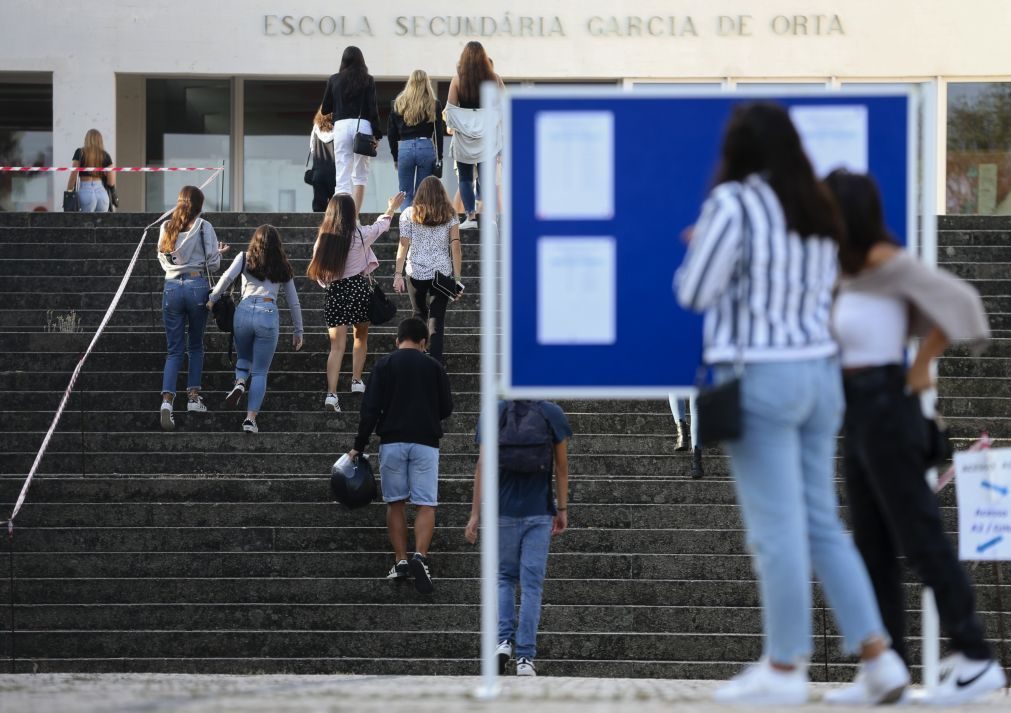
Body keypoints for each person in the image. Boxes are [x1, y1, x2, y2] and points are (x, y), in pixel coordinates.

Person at [674, 103, 909, 706]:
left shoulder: (734, 204)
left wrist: (699, 246)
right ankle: (878, 659)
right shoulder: (819, 208)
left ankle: (784, 667)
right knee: (822, 523)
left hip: (760, 375)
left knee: (775, 532)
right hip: (819, 375)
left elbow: (694, 292)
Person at [824, 170, 1003, 706]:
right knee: (871, 546)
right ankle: (888, 672)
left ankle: (976, 658)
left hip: (887, 405)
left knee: (920, 538)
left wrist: (923, 361)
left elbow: (962, 302)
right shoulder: (845, 271)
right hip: (854, 412)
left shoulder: (890, 264)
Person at [465, 400, 572, 677]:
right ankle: (526, 658)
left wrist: (475, 514)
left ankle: (503, 642)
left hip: (503, 511)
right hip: (538, 511)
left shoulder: (494, 412)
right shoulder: (552, 414)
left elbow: (482, 465)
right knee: (532, 586)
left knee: (504, 578)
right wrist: (562, 509)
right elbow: (561, 468)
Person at [348, 317, 454, 594]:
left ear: (397, 340)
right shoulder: (434, 367)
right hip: (425, 442)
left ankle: (401, 560)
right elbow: (447, 408)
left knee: (395, 503)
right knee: (426, 503)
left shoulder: (384, 365)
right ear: (424, 342)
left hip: (392, 441)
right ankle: (420, 555)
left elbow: (369, 409)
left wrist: (359, 444)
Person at [307, 190, 405, 413]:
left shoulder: (323, 239)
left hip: (336, 293)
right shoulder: (360, 234)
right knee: (360, 336)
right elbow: (381, 226)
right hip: (359, 290)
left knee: (336, 346)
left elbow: (319, 274)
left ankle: (331, 394)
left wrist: (331, 285)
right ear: (352, 213)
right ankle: (356, 379)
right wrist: (391, 207)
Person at [208, 225, 305, 434]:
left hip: (243, 311)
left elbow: (226, 278)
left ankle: (240, 381)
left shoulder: (244, 258)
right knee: (260, 371)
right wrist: (299, 331)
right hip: (267, 313)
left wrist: (212, 299)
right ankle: (250, 420)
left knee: (243, 358)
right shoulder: (283, 265)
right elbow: (293, 302)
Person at [156, 186, 228, 431]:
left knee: (174, 349)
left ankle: (167, 401)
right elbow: (214, 264)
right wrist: (217, 253)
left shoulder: (166, 227)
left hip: (172, 289)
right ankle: (194, 398)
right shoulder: (204, 227)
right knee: (195, 344)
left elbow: (162, 259)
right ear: (199, 205)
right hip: (197, 286)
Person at [393, 176, 462, 365]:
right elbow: (455, 246)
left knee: (419, 314)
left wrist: (398, 274)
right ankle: (436, 364)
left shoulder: (408, 214)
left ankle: (415, 358)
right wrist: (457, 278)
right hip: (441, 275)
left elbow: (403, 245)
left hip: (415, 273)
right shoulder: (450, 214)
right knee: (437, 321)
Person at [445, 41, 503, 229]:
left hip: (464, 137)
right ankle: (490, 218)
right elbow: (503, 107)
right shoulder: (494, 79)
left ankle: (470, 217)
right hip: (488, 137)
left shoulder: (457, 79)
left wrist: (461, 124)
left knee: (465, 178)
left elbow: (451, 109)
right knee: (487, 179)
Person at [320, 46, 381, 214]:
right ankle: (355, 218)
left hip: (341, 126)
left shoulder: (334, 80)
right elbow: (372, 109)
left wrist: (339, 103)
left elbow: (325, 109)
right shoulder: (368, 79)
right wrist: (377, 135)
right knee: (360, 175)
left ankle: (341, 218)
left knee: (342, 175)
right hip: (363, 126)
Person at [388, 70, 445, 209]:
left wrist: (395, 157)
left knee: (404, 193)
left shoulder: (398, 104)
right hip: (426, 146)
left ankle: (406, 227)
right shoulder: (434, 104)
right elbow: (439, 133)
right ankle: (420, 226)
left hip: (405, 148)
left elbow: (391, 134)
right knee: (422, 193)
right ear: (427, 83)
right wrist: (440, 157)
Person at [67, 129, 117, 212]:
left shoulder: (80, 152)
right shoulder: (105, 155)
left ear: (87, 139)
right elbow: (111, 181)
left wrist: (69, 192)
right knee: (100, 223)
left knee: (86, 223)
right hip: (102, 194)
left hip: (86, 192)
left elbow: (73, 176)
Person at [309, 107, 336, 212]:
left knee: (318, 207)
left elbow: (312, 149)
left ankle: (319, 227)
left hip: (318, 174)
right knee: (336, 207)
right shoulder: (339, 129)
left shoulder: (316, 128)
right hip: (335, 173)